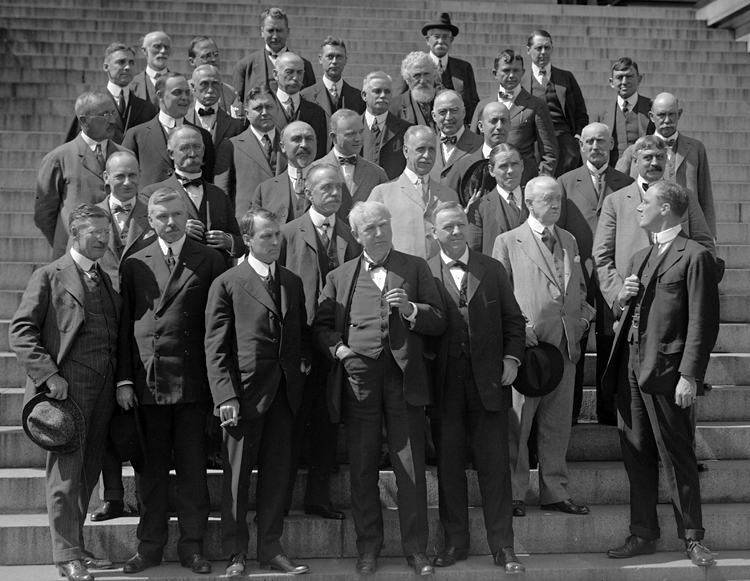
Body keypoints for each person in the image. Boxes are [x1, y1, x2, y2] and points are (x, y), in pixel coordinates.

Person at [312, 201, 446, 577]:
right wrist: (341, 350)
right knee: (362, 466)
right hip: (360, 380)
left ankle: (416, 550)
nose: (379, 232)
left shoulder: (415, 267)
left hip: (404, 377)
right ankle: (368, 549)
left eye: (384, 224)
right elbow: (321, 326)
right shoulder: (340, 276)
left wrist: (412, 310)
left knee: (410, 468)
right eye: (370, 228)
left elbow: (439, 321)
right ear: (356, 235)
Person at [603, 181, 719, 568]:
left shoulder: (695, 256)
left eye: (646, 202)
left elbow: (703, 322)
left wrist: (691, 375)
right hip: (630, 368)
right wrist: (621, 299)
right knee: (636, 453)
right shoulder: (639, 256)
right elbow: (629, 316)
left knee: (677, 455)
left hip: (668, 370)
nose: (638, 208)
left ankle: (693, 537)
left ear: (666, 208)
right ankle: (643, 533)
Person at [117, 189, 226, 575]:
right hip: (149, 385)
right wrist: (125, 381)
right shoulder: (134, 264)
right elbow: (124, 325)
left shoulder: (210, 260)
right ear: (149, 220)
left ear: (186, 215)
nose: (170, 223)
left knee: (194, 473)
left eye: (176, 215)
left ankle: (192, 547)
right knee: (151, 474)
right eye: (161, 217)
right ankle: (148, 548)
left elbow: (218, 328)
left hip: (194, 385)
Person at [10, 204, 120, 581]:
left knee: (87, 476)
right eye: (95, 233)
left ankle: (77, 547)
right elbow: (21, 331)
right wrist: (50, 375)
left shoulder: (105, 278)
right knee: (65, 478)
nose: (104, 239)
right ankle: (65, 556)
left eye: (107, 232)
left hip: (102, 391)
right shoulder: (49, 275)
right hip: (65, 393)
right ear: (75, 233)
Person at [205, 207, 311, 577]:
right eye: (266, 236)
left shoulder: (292, 282)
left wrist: (301, 363)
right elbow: (216, 347)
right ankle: (236, 553)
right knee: (236, 478)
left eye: (278, 235)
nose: (275, 242)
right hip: (243, 397)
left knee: (277, 476)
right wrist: (225, 397)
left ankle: (272, 548)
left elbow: (299, 334)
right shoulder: (228, 282)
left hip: (283, 395)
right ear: (247, 239)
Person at [427, 202, 526, 573]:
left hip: (489, 385)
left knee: (495, 467)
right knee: (449, 468)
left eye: (460, 225)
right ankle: (454, 543)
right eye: (447, 227)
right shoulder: (424, 271)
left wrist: (512, 360)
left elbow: (514, 321)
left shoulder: (492, 269)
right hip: (445, 387)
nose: (455, 232)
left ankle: (503, 546)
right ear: (434, 233)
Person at [493, 176, 593, 519]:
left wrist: (582, 321)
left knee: (557, 425)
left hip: (566, 348)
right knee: (517, 426)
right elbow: (499, 294)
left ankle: (555, 491)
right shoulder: (507, 241)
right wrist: (518, 329)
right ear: (529, 203)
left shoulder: (569, 240)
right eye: (547, 199)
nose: (555, 205)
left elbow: (580, 288)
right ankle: (513, 492)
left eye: (558, 199)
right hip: (528, 352)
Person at [279, 165, 361, 521]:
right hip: (298, 345)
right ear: (307, 191)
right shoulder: (286, 235)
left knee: (327, 424)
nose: (334, 194)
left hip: (335, 343)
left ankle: (318, 498)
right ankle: (278, 502)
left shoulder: (349, 236)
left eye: (339, 188)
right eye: (325, 187)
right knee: (291, 427)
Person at [86, 152, 154, 523]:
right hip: (104, 320)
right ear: (105, 177)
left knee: (141, 414)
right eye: (120, 176)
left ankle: (147, 495)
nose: (127, 183)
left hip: (145, 317)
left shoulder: (153, 213)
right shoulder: (89, 215)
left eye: (133, 175)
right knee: (105, 412)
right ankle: (111, 495)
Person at [593, 135, 716, 334]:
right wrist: (619, 295)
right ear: (635, 161)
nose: (654, 163)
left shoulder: (685, 197)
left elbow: (705, 243)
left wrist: (694, 288)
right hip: (632, 303)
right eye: (648, 157)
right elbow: (601, 256)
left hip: (675, 299)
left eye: (660, 157)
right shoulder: (615, 202)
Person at [557, 122, 633, 426]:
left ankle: (607, 409)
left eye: (601, 141)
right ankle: (571, 412)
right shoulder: (564, 182)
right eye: (589, 141)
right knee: (574, 343)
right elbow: (559, 231)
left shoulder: (626, 182)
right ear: (580, 145)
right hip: (577, 276)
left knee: (609, 343)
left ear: (612, 143)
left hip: (613, 276)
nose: (595, 147)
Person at [35, 91, 128, 259]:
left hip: (117, 255)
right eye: (104, 115)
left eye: (113, 113)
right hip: (74, 254)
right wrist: (69, 241)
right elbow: (44, 214)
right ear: (84, 120)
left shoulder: (126, 156)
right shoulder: (58, 158)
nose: (112, 120)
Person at [615, 92, 716, 238]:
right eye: (661, 115)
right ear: (651, 116)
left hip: (684, 229)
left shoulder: (696, 148)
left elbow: (705, 195)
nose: (667, 120)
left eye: (672, 114)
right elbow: (618, 187)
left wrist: (711, 235)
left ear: (679, 114)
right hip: (643, 231)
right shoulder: (634, 150)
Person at [140, 125, 243, 267]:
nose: (192, 153)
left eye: (197, 146)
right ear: (171, 153)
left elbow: (239, 242)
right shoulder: (151, 193)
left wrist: (229, 241)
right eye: (185, 148)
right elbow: (143, 241)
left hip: (214, 276)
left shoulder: (218, 194)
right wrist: (178, 230)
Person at [369, 125, 459, 259]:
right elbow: (369, 238)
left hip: (440, 276)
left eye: (432, 150)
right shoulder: (382, 193)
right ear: (406, 151)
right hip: (400, 275)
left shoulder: (449, 195)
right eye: (421, 149)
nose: (427, 156)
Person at [470, 50, 558, 186]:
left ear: (523, 72)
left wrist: (537, 182)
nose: (511, 75)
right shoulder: (483, 106)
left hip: (522, 180)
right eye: (506, 70)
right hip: (486, 181)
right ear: (495, 73)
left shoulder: (536, 105)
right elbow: (473, 144)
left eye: (516, 70)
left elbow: (549, 152)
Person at [121, 72, 215, 187]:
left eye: (187, 92)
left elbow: (208, 179)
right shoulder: (136, 135)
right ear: (160, 95)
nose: (185, 98)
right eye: (177, 92)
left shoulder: (202, 136)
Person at [214, 85, 288, 222]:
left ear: (277, 109)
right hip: (248, 227)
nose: (265, 112)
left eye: (269, 107)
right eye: (258, 108)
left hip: (284, 225)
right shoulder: (231, 146)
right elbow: (221, 194)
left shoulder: (290, 143)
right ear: (247, 113)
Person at [521, 30, 588, 176]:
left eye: (547, 48)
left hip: (564, 142)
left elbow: (581, 113)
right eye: (538, 48)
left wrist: (576, 138)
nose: (543, 52)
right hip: (534, 141)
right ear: (528, 50)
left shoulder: (566, 78)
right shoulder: (521, 81)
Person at [64, 42, 156, 144]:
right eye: (121, 62)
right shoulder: (89, 103)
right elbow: (70, 144)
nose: (127, 67)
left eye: (131, 62)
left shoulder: (147, 108)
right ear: (106, 67)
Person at [394, 13, 479, 120]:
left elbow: (473, 103)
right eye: (436, 37)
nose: (441, 41)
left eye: (445, 37)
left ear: (451, 40)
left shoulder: (464, 67)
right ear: (427, 40)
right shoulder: (413, 66)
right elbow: (398, 100)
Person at [309, 108, 388, 210]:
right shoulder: (315, 170)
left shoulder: (377, 173)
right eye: (350, 134)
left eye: (361, 132)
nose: (358, 138)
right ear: (333, 137)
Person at [232, 6, 315, 101]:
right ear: (262, 32)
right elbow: (237, 106)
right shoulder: (244, 67)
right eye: (270, 31)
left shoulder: (305, 65)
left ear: (288, 32)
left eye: (279, 30)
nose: (275, 36)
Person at [252, 121, 323, 224]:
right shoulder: (264, 190)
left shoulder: (333, 185)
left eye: (309, 139)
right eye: (296, 139)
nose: (304, 145)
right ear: (283, 146)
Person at [444, 102, 510, 206]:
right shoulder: (461, 168)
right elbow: (448, 210)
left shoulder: (525, 167)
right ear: (481, 126)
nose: (499, 126)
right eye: (494, 121)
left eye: (504, 121)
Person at [468, 144, 528, 256]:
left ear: (522, 166)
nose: (510, 171)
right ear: (491, 170)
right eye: (503, 166)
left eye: (515, 164)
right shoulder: (479, 208)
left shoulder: (535, 200)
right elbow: (474, 254)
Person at [595, 58, 653, 166]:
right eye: (619, 77)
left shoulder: (651, 108)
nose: (624, 82)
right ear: (611, 82)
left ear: (639, 79)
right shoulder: (602, 113)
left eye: (629, 76)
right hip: (613, 175)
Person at [272, 51, 328, 160]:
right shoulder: (266, 110)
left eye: (299, 72)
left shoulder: (317, 112)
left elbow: (320, 154)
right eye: (289, 72)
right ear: (275, 74)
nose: (295, 77)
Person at [359, 71, 412, 180]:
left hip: (393, 194)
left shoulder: (406, 129)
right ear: (364, 95)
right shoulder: (353, 127)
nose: (383, 96)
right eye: (377, 91)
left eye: (387, 91)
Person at [300, 36, 366, 116]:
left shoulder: (358, 97)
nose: (334, 61)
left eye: (339, 57)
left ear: (345, 60)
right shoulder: (305, 96)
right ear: (320, 59)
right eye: (330, 57)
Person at [428, 89, 483, 183]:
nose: (448, 117)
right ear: (434, 116)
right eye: (442, 112)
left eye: (454, 111)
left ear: (464, 112)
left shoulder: (481, 145)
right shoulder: (427, 146)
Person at [185, 65, 244, 149]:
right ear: (193, 87)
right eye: (204, 84)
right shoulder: (182, 120)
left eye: (215, 84)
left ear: (221, 86)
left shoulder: (235, 125)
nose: (210, 90)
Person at [187, 36, 240, 116]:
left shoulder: (230, 92)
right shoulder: (184, 90)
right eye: (207, 55)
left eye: (216, 54)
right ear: (192, 61)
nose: (213, 59)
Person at [390, 52, 439, 131]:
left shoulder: (446, 102)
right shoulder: (393, 108)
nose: (423, 81)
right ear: (407, 80)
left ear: (434, 76)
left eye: (426, 74)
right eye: (417, 75)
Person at [131, 31, 172, 106]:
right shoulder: (132, 85)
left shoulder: (180, 83)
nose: (163, 51)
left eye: (166, 47)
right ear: (144, 51)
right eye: (157, 46)